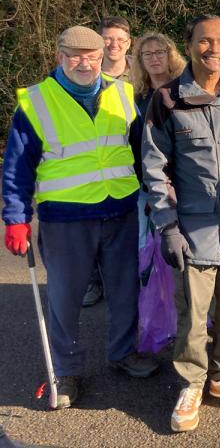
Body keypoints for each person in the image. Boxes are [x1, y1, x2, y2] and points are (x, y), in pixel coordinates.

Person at [2, 26, 159, 410]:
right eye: (75, 56)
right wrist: (16, 217)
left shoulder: (122, 93)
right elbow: (17, 167)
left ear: (103, 56)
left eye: (92, 55)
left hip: (120, 210)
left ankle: (123, 353)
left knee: (125, 290)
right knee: (65, 298)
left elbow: (141, 151)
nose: (85, 63)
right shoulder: (37, 102)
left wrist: (155, 195)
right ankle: (66, 369)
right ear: (59, 57)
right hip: (65, 220)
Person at [142, 15, 220, 433]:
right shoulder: (167, 100)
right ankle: (192, 382)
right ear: (190, 44)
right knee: (194, 315)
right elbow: (155, 168)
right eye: (204, 41)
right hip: (193, 230)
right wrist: (167, 226)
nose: (214, 49)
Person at [81, 16, 135, 307]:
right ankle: (92, 281)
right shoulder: (85, 72)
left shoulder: (139, 75)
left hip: (128, 162)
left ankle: (122, 280)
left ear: (129, 43)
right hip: (91, 162)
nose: (114, 45)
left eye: (120, 39)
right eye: (107, 39)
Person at [130, 33, 186, 246]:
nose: (154, 58)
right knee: (145, 244)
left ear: (170, 55)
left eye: (160, 52)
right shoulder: (136, 98)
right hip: (145, 183)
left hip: (181, 181)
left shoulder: (184, 91)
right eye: (148, 54)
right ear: (140, 60)